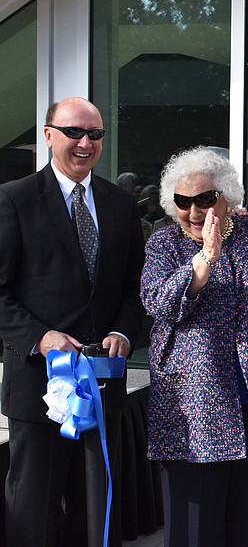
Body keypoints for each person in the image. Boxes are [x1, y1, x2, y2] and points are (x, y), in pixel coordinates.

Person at [0, 97, 145, 546]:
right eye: (74, 133)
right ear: (48, 135)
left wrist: (122, 331)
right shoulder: (14, 200)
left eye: (95, 134)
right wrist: (41, 337)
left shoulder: (122, 205)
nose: (85, 143)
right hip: (38, 388)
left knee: (93, 511)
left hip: (102, 393)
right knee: (33, 512)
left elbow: (135, 290)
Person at [142, 146, 248, 546]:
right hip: (192, 411)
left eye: (205, 199)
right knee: (195, 529)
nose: (194, 211)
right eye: (183, 201)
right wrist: (204, 261)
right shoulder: (164, 245)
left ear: (227, 198)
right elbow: (158, 302)